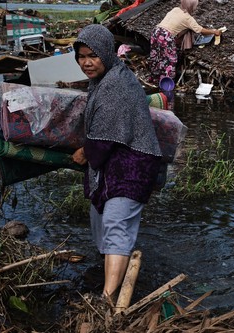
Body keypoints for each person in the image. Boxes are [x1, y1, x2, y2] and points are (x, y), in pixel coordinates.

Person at [71, 24, 162, 303]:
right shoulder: (106, 77)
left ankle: (109, 300)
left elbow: (102, 139)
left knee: (114, 222)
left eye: (93, 55)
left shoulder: (115, 85)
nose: (86, 62)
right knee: (100, 219)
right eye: (81, 56)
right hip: (117, 158)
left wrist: (84, 153)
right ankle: (109, 268)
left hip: (134, 162)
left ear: (107, 54)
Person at [149, 0, 221, 84]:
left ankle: (154, 79)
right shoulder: (188, 18)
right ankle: (167, 85)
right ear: (191, 6)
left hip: (156, 31)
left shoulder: (175, 9)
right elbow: (201, 30)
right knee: (170, 60)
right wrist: (214, 32)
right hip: (166, 36)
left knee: (157, 56)